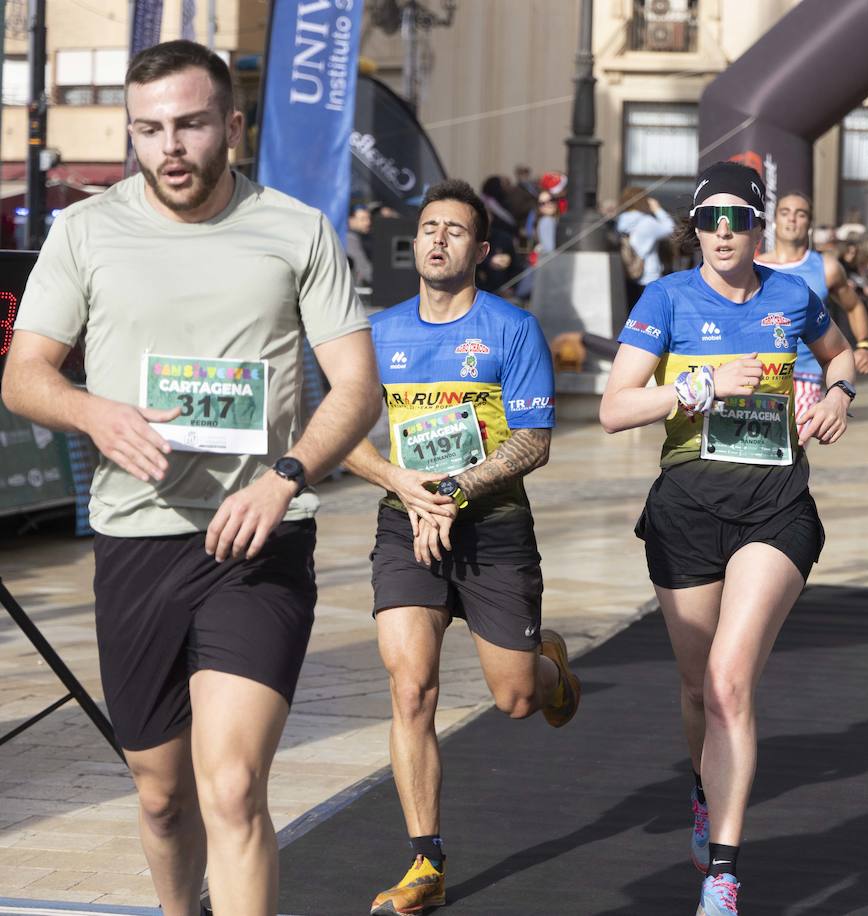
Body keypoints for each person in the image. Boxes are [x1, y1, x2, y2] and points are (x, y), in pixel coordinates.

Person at [0, 40, 379, 915]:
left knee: (233, 785)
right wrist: (97, 412)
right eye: (149, 130)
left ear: (233, 127)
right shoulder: (86, 231)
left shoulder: (297, 229)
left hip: (259, 539)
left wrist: (285, 476)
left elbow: (357, 387)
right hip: (135, 538)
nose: (169, 147)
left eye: (190, 125)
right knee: (163, 797)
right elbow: (25, 376)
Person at [600, 161, 856, 916]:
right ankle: (704, 793)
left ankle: (724, 872)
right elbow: (614, 409)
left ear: (757, 225)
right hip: (686, 508)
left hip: (776, 506)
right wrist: (698, 386)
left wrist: (839, 394)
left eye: (736, 219)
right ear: (694, 229)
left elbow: (840, 354)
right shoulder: (667, 298)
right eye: (708, 220)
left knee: (728, 682)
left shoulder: (792, 294)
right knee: (694, 687)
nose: (722, 233)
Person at [343, 179, 580, 914]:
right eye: (428, 228)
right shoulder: (376, 333)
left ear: (481, 250)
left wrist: (457, 492)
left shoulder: (511, 329)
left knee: (514, 700)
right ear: (414, 243)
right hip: (405, 520)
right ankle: (426, 863)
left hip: (492, 526)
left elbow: (534, 440)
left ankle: (550, 670)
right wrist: (403, 484)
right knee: (411, 686)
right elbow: (335, 431)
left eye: (455, 231)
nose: (438, 239)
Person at [756, 191, 868, 425]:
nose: (792, 219)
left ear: (809, 224)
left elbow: (853, 306)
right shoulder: (752, 266)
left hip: (805, 375)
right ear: (774, 220)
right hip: (759, 373)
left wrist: (864, 344)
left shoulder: (826, 267)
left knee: (791, 446)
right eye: (785, 213)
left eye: (800, 214)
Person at [616, 187, 676, 307]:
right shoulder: (646, 222)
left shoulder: (620, 222)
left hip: (626, 275)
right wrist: (658, 209)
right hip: (648, 276)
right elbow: (671, 229)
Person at [347, 201, 374, 288]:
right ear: (350, 220)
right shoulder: (350, 239)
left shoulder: (362, 237)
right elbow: (365, 270)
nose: (368, 222)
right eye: (363, 219)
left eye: (368, 218)